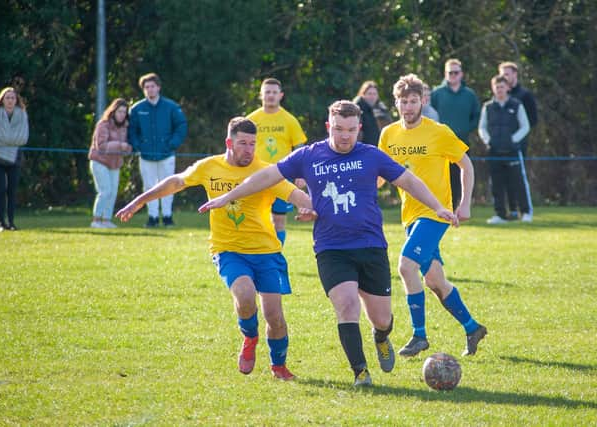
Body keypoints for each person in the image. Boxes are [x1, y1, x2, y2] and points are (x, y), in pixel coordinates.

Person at [200, 101, 458, 387]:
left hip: (371, 246)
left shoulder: (371, 155)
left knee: (382, 318)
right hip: (331, 248)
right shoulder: (310, 156)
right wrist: (226, 197)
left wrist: (437, 207)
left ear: (359, 128)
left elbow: (409, 180)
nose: (345, 136)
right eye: (338, 129)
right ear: (328, 127)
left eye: (350, 130)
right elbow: (265, 176)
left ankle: (381, 337)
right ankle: (360, 372)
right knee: (347, 306)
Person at [116, 117, 314, 380]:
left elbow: (296, 195)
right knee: (244, 298)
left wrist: (307, 207)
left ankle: (279, 366)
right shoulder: (210, 166)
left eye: (253, 144)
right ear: (229, 143)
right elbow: (176, 181)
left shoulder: (266, 171)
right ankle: (250, 337)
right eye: (243, 143)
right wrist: (139, 201)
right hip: (228, 249)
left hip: (267, 252)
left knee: (275, 317)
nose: (249, 149)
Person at [379, 73, 487, 359]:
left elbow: (466, 165)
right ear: (396, 103)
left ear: (423, 101)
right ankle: (472, 326)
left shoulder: (438, 131)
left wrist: (464, 204)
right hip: (409, 217)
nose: (409, 107)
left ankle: (419, 335)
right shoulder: (389, 134)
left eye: (414, 101)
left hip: (436, 214)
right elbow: (380, 176)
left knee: (405, 266)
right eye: (404, 101)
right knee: (435, 282)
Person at [247, 78, 307, 246]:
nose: (271, 95)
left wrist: (301, 174)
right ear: (261, 95)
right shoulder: (251, 120)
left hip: (282, 175)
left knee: (279, 220)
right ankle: (257, 250)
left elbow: (300, 149)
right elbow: (241, 145)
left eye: (274, 92)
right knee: (257, 218)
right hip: (257, 174)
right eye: (267, 92)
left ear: (281, 95)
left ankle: (276, 253)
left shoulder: (289, 120)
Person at [128, 72, 188, 228]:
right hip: (146, 155)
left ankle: (167, 217)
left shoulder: (171, 107)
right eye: (146, 87)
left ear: (158, 87)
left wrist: (172, 143)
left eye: (152, 86)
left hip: (166, 154)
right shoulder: (137, 109)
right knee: (149, 187)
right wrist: (138, 145)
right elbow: (132, 130)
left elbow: (181, 126)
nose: (150, 89)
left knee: (169, 186)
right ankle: (152, 217)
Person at [478, 75, 530, 224]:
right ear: (493, 88)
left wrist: (513, 140)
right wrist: (488, 140)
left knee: (518, 183)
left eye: (502, 87)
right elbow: (482, 127)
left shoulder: (516, 104)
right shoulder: (488, 107)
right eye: (496, 87)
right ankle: (500, 215)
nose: (499, 90)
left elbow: (525, 126)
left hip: (512, 151)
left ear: (507, 88)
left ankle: (525, 212)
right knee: (496, 184)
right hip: (494, 152)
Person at [431, 59, 481, 209]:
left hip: (462, 142)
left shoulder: (470, 94)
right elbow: (430, 116)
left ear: (462, 74)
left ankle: (461, 206)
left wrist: (465, 128)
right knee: (443, 177)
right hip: (439, 144)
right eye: (449, 72)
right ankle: (445, 207)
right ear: (445, 74)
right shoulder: (436, 94)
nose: (453, 75)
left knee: (463, 173)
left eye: (456, 72)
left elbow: (476, 116)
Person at [0, 87, 29, 232]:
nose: (10, 100)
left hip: (15, 157)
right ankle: (1, 223)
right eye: (7, 98)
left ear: (16, 100)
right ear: (2, 100)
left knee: (12, 190)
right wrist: (9, 140)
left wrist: (5, 140)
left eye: (12, 98)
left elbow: (23, 138)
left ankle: (12, 222)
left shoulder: (22, 115)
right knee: (1, 189)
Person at [499, 61, 537, 222]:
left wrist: (515, 138)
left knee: (519, 179)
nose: (504, 77)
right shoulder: (499, 95)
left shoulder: (525, 95)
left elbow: (532, 120)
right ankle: (512, 211)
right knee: (504, 179)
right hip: (501, 147)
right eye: (502, 74)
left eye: (507, 74)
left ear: (515, 74)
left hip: (518, 145)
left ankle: (526, 211)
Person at [88, 98, 133, 228]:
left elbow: (127, 147)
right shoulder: (103, 124)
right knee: (105, 191)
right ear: (113, 111)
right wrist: (120, 145)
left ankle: (106, 220)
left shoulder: (125, 126)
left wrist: (127, 148)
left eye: (124, 112)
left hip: (115, 164)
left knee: (113, 192)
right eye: (119, 111)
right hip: (99, 162)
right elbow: (101, 146)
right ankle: (96, 220)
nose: (122, 114)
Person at [353, 80, 393, 146]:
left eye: (374, 94)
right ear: (363, 95)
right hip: (362, 148)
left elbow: (389, 127)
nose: (372, 97)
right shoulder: (356, 110)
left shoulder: (380, 108)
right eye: (369, 94)